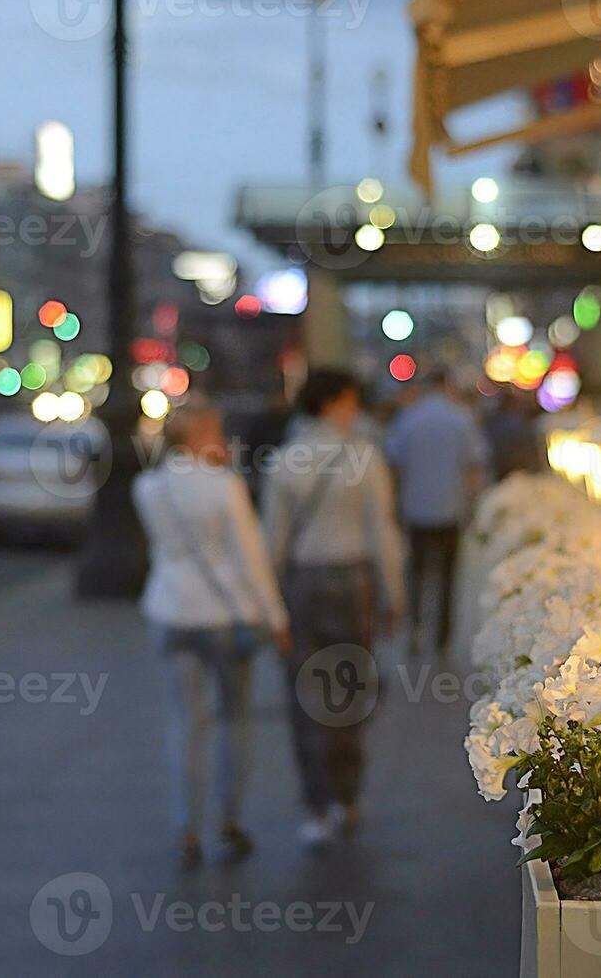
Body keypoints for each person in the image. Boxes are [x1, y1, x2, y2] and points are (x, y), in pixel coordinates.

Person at [133, 403, 290, 869]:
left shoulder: (147, 485)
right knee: (235, 718)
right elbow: (250, 558)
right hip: (222, 616)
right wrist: (275, 616)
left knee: (185, 721)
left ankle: (186, 826)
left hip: (170, 610)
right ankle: (229, 818)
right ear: (202, 436)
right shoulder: (224, 486)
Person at [263, 369, 405, 847]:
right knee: (350, 688)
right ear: (333, 403)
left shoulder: (283, 460)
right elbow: (382, 532)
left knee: (305, 694)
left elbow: (273, 543)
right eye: (350, 401)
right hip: (354, 582)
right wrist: (394, 594)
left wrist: (271, 608)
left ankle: (316, 805)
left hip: (302, 582)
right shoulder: (364, 457)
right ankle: (349, 795)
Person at [384, 367, 489, 657]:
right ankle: (442, 639)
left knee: (416, 573)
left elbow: (394, 464)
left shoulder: (408, 418)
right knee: (447, 576)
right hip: (450, 509)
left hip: (415, 508)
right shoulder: (461, 417)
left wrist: (393, 504)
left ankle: (415, 629)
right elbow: (474, 466)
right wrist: (474, 505)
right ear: (447, 385)